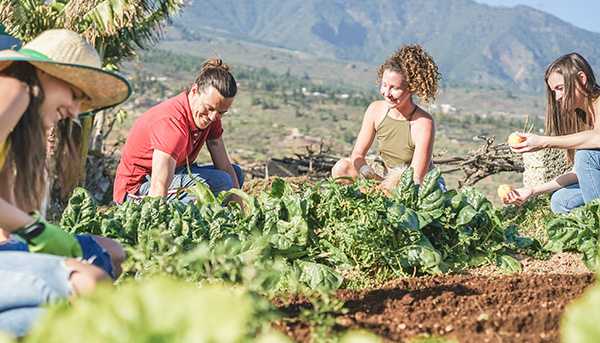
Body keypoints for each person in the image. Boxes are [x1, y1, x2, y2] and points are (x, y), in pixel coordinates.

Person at [0, 29, 130, 336]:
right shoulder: (14, 89)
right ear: (44, 73)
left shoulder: (20, 129)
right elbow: (21, 226)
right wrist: (34, 230)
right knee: (90, 281)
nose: (74, 110)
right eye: (74, 94)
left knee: (111, 253)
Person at [113, 58, 243, 204]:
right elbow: (159, 186)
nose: (213, 117)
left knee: (235, 175)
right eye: (210, 108)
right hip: (137, 191)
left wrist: (244, 212)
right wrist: (153, 221)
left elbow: (224, 165)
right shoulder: (172, 124)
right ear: (195, 91)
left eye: (221, 112)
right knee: (222, 182)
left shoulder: (211, 117)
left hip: (174, 173)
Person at [331, 44, 443, 190]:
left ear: (412, 88)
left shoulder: (423, 123)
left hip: (413, 183)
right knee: (342, 168)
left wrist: (384, 188)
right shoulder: (375, 110)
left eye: (394, 88)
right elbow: (357, 155)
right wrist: (366, 172)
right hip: (385, 174)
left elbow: (416, 178)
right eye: (384, 85)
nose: (386, 93)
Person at [505, 53, 600, 214]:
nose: (557, 97)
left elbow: (598, 138)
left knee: (585, 155)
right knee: (561, 200)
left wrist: (543, 142)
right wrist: (532, 190)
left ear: (582, 79)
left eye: (560, 88)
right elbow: (581, 172)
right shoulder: (583, 117)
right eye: (553, 91)